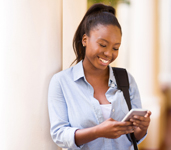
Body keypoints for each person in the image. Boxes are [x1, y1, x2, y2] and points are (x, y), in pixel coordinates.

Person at [48, 3, 151, 150]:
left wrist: (142, 128)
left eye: (115, 48)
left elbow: (133, 137)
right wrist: (98, 132)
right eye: (103, 45)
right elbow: (59, 134)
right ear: (85, 40)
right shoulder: (62, 82)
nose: (109, 53)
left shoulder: (126, 79)